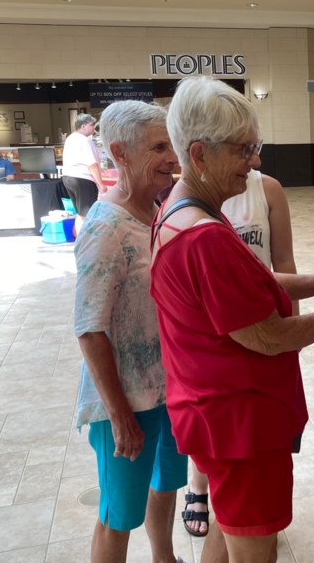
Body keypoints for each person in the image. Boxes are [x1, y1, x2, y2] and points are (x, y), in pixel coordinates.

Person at [149, 75, 314, 563]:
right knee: (253, 549)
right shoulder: (206, 237)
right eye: (244, 150)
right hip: (238, 422)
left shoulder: (181, 213)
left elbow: (252, 287)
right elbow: (266, 335)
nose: (255, 161)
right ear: (199, 155)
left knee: (228, 525)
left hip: (212, 411)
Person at [71, 100, 188, 563]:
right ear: (119, 153)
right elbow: (89, 328)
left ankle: (165, 558)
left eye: (172, 145)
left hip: (169, 390)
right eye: (158, 148)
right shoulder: (106, 228)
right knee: (118, 515)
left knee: (167, 484)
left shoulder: (157, 212)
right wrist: (119, 414)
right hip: (126, 402)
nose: (172, 159)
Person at [178, 168, 300, 539]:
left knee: (259, 429)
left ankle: (252, 518)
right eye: (241, 147)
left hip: (260, 317)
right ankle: (198, 488)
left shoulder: (268, 189)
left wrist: (290, 330)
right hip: (212, 330)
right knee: (212, 424)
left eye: (252, 145)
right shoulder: (188, 200)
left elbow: (283, 262)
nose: (252, 156)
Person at [63, 113, 108, 234]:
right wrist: (101, 184)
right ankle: (84, 242)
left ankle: (80, 241)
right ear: (83, 126)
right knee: (87, 214)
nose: (93, 127)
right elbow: (91, 164)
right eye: (91, 125)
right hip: (82, 178)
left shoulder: (70, 138)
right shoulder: (84, 140)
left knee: (81, 213)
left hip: (68, 177)